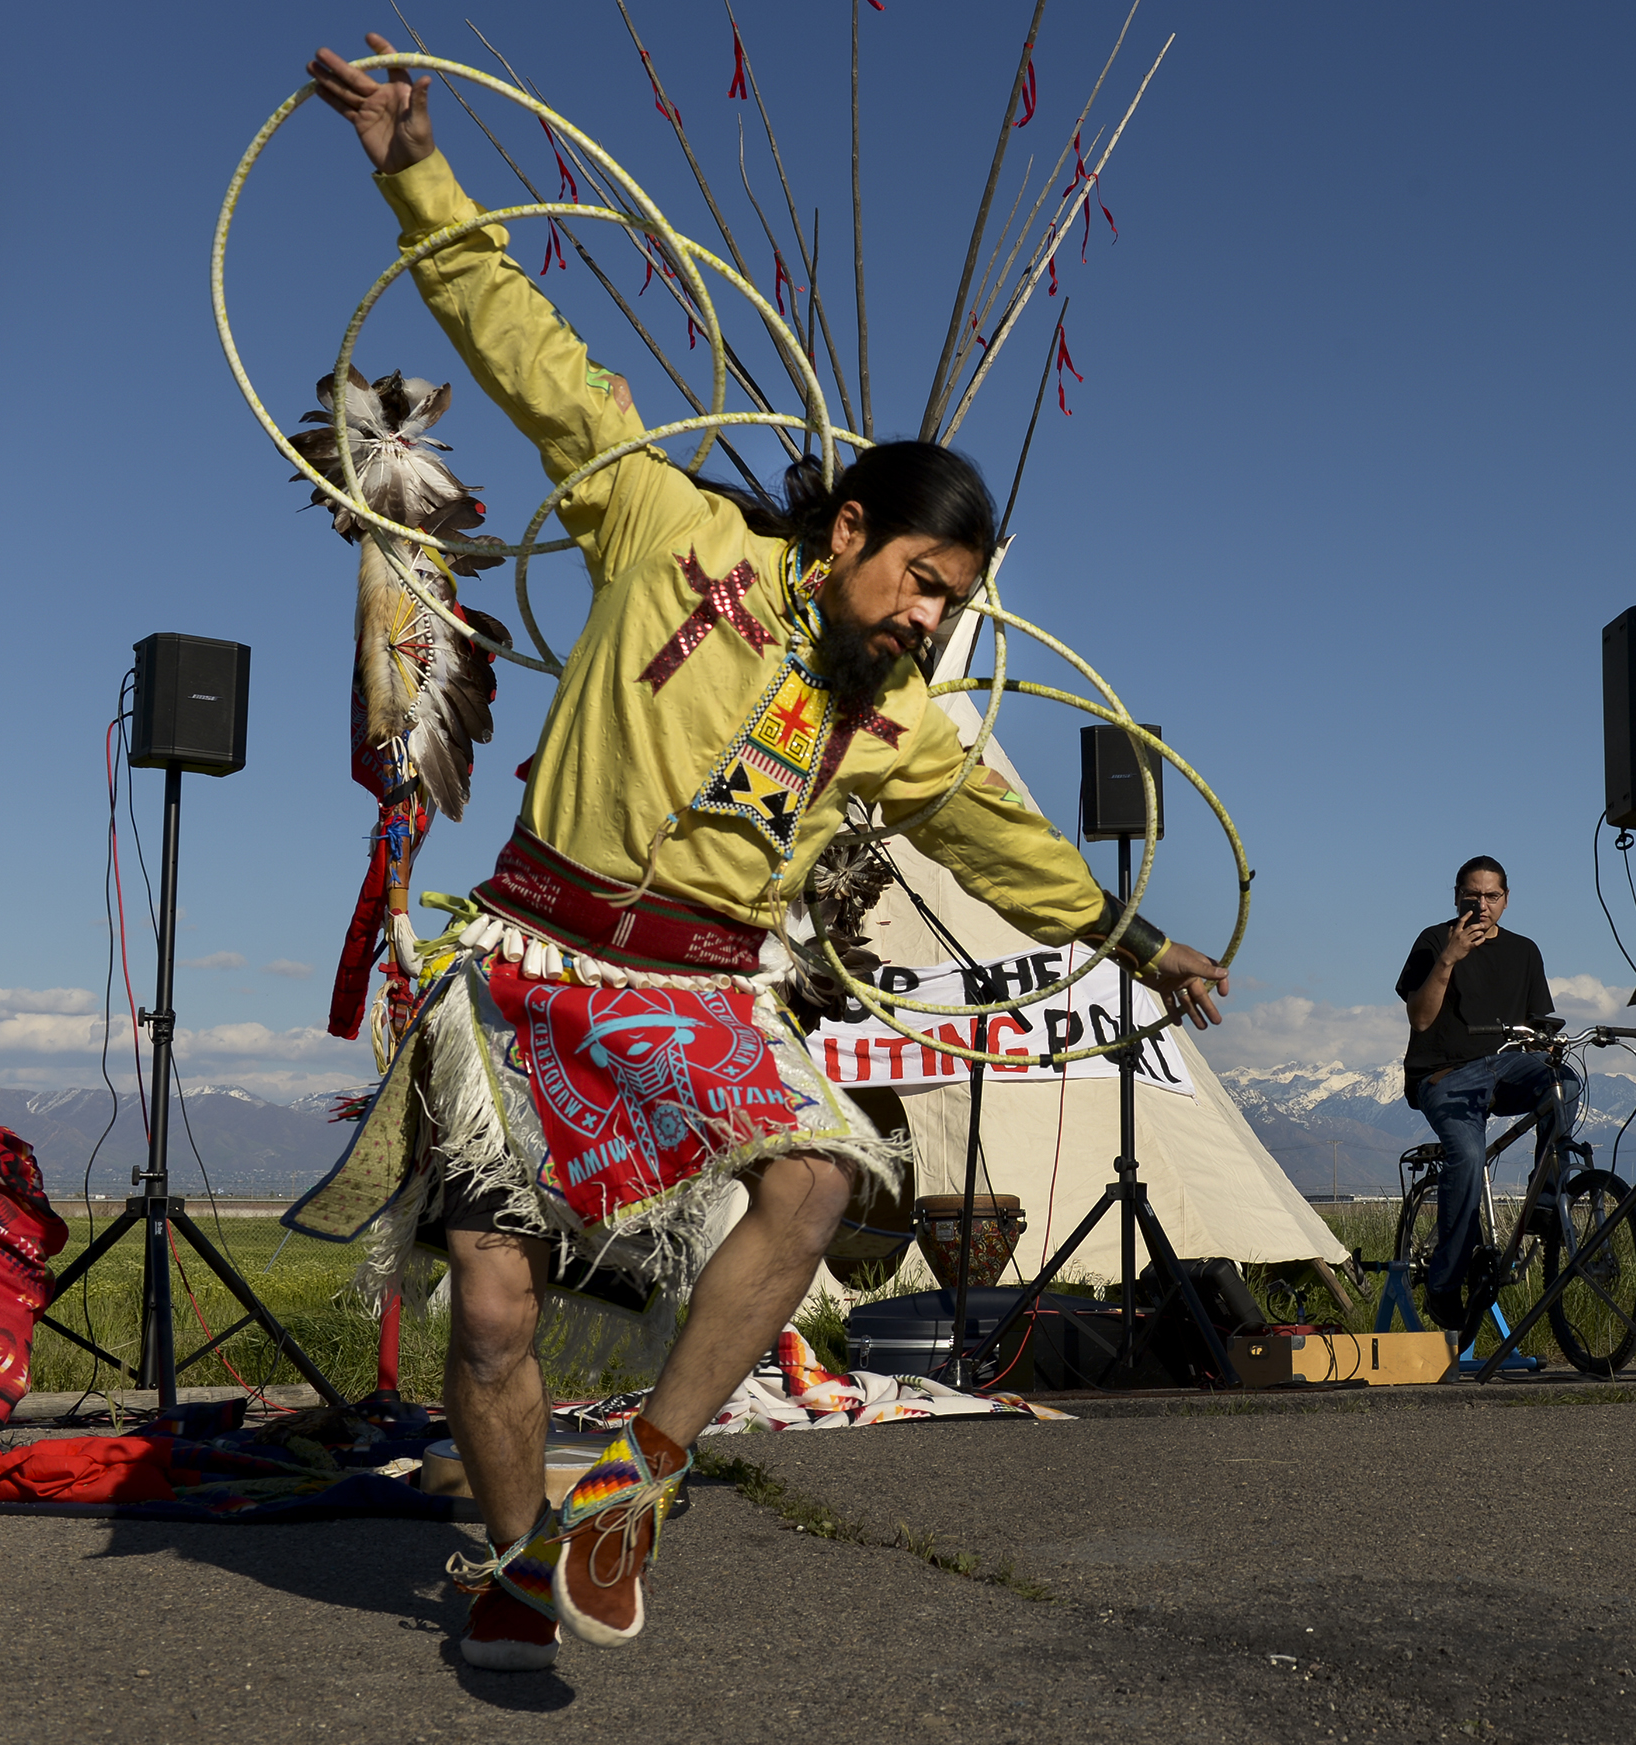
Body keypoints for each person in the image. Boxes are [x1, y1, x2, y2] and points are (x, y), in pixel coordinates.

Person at [305, 37, 1232, 1671]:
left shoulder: (905, 726)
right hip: (528, 962)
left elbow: (1018, 854)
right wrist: (407, 166)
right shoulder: (667, 532)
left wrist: (1142, 949)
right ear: (853, 535)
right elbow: (523, 345)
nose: (937, 618)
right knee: (498, 1307)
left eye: (960, 599)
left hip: (708, 990)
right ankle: (525, 1567)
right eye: (926, 581)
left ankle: (641, 1486)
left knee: (819, 1174)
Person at [1395, 856, 1568, 1333]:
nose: (1482, 905)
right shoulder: (1433, 941)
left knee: (1564, 1082)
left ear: (1506, 900)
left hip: (1506, 1068)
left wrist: (1548, 1043)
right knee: (1468, 1157)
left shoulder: (1525, 951)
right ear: (1456, 897)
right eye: (1472, 896)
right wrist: (1449, 959)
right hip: (1445, 1075)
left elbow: (1536, 1027)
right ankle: (1444, 1284)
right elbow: (1421, 1020)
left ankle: (1546, 1203)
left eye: (1492, 896)